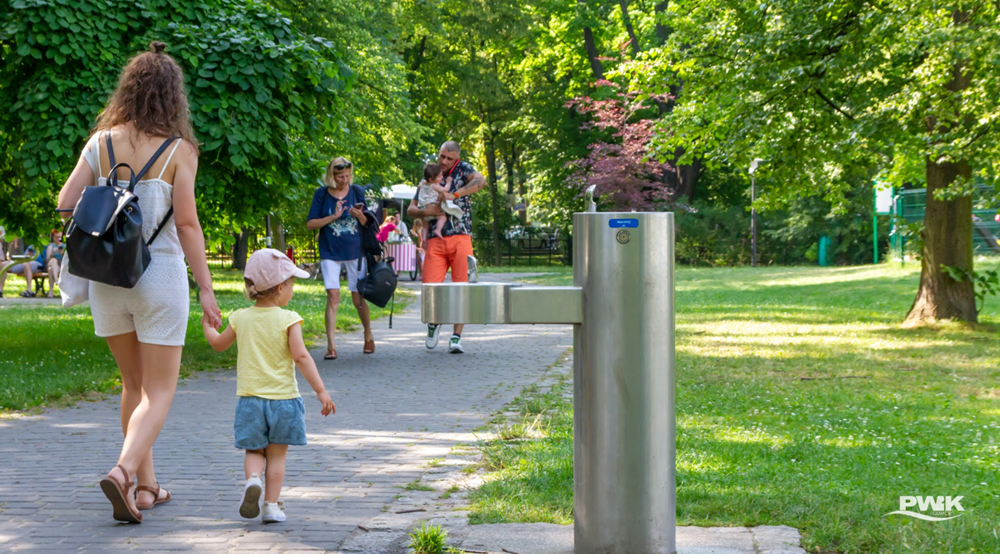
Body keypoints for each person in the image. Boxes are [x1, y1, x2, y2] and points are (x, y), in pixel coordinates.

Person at [56, 41, 222, 523]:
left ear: (127, 90)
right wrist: (206, 288)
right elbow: (187, 225)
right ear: (173, 97)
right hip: (159, 274)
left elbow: (66, 204)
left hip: (108, 277)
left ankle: (147, 488)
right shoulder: (180, 150)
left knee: (132, 385)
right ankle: (125, 471)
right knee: (160, 390)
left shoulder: (100, 143)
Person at [201, 249, 336, 523]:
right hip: (284, 401)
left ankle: (253, 479)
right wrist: (320, 391)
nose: (292, 291)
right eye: (291, 285)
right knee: (276, 457)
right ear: (279, 287)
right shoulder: (289, 319)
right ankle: (271, 506)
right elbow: (301, 357)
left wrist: (207, 325)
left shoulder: (240, 317)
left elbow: (218, 344)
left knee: (254, 451)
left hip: (250, 401)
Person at [407, 141, 486, 354]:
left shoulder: (464, 169)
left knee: (462, 287)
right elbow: (411, 209)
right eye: (442, 156)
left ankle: (456, 337)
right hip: (435, 238)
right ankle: (433, 324)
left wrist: (455, 194)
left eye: (449, 158)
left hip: (461, 236)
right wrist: (424, 212)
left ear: (456, 159)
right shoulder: (430, 174)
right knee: (431, 287)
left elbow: (481, 180)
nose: (444, 161)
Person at [306, 157, 375, 359]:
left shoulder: (356, 191)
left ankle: (368, 335)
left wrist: (359, 216)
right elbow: (310, 224)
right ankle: (331, 346)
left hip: (355, 251)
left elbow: (368, 222)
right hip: (330, 251)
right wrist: (333, 217)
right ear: (331, 176)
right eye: (340, 177)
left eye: (347, 176)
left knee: (358, 298)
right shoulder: (321, 194)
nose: (344, 180)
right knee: (333, 296)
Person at [415, 163, 463, 241]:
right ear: (431, 180)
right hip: (432, 207)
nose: (442, 177)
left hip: (423, 208)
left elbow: (419, 187)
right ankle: (438, 229)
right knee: (442, 217)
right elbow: (446, 189)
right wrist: (449, 182)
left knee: (425, 224)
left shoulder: (422, 183)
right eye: (439, 176)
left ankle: (424, 238)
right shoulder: (434, 186)